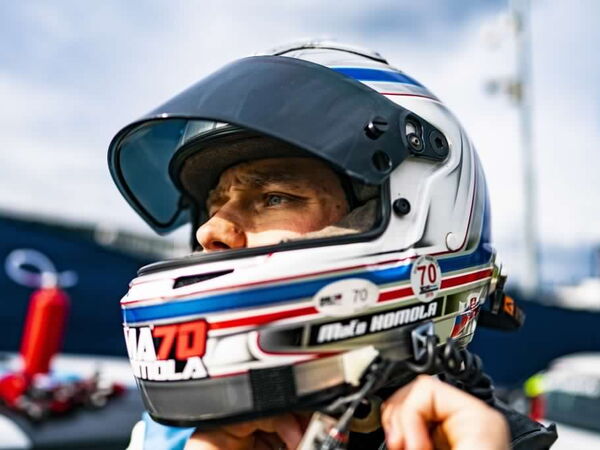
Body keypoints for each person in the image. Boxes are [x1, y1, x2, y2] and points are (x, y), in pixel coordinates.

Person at [109, 41, 557, 449]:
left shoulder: (488, 441)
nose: (210, 231)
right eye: (214, 206)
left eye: (274, 197)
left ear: (422, 218)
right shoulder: (170, 439)